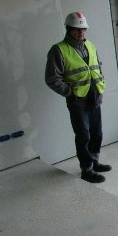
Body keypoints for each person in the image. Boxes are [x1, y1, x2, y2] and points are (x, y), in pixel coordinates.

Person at [45, 11, 111, 183]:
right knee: (83, 136)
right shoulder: (58, 50)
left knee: (97, 133)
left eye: (83, 30)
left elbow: (96, 67)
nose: (81, 33)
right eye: (77, 30)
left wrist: (100, 85)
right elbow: (52, 79)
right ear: (68, 30)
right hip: (78, 101)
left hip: (95, 96)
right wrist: (71, 92)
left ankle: (95, 162)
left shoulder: (90, 45)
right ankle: (86, 170)